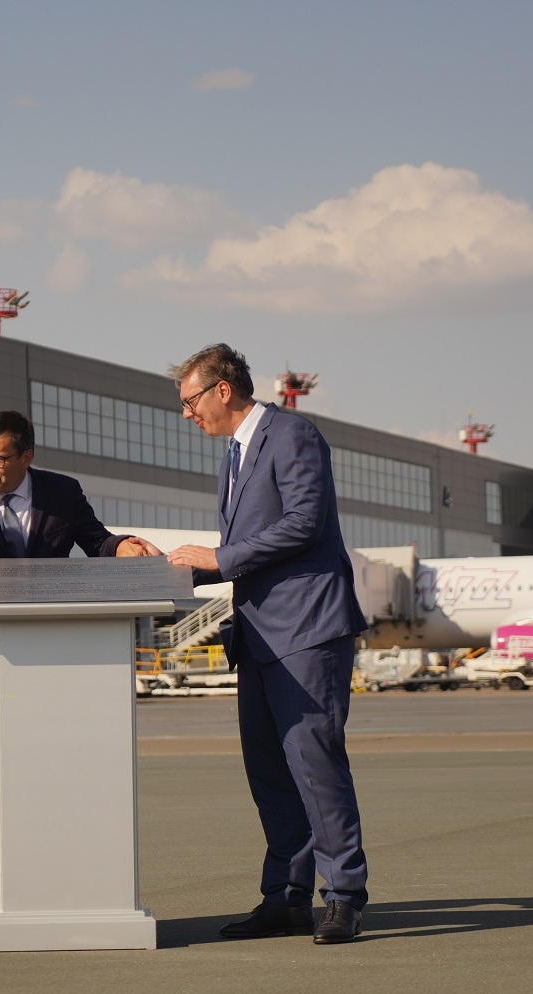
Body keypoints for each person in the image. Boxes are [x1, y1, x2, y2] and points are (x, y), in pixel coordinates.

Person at [166, 344, 370, 945]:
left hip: (306, 629)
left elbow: (304, 522)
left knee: (315, 766)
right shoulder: (235, 455)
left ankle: (344, 895)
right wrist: (181, 570)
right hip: (258, 635)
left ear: (222, 390)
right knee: (269, 773)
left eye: (190, 401)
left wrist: (219, 557)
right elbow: (252, 549)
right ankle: (286, 898)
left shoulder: (292, 434)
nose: (186, 414)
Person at [0, 409, 161, 914]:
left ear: (26, 456)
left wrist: (123, 547)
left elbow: (97, 541)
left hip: (54, 668)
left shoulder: (62, 492)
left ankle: (58, 881)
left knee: (55, 778)